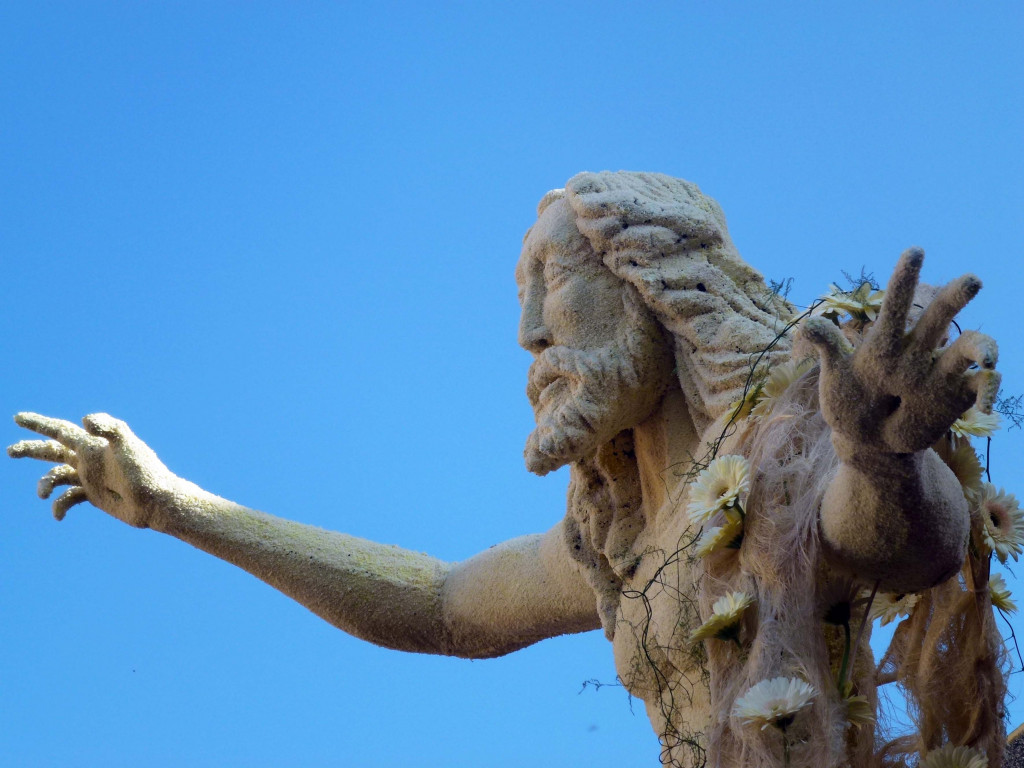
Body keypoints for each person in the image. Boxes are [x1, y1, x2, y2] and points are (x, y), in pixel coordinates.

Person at [9, 172, 1007, 767]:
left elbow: (907, 543)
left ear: (654, 286)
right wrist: (179, 505)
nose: (528, 334)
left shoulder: (781, 440)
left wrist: (882, 451)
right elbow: (441, 606)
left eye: (552, 287)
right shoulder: (617, 547)